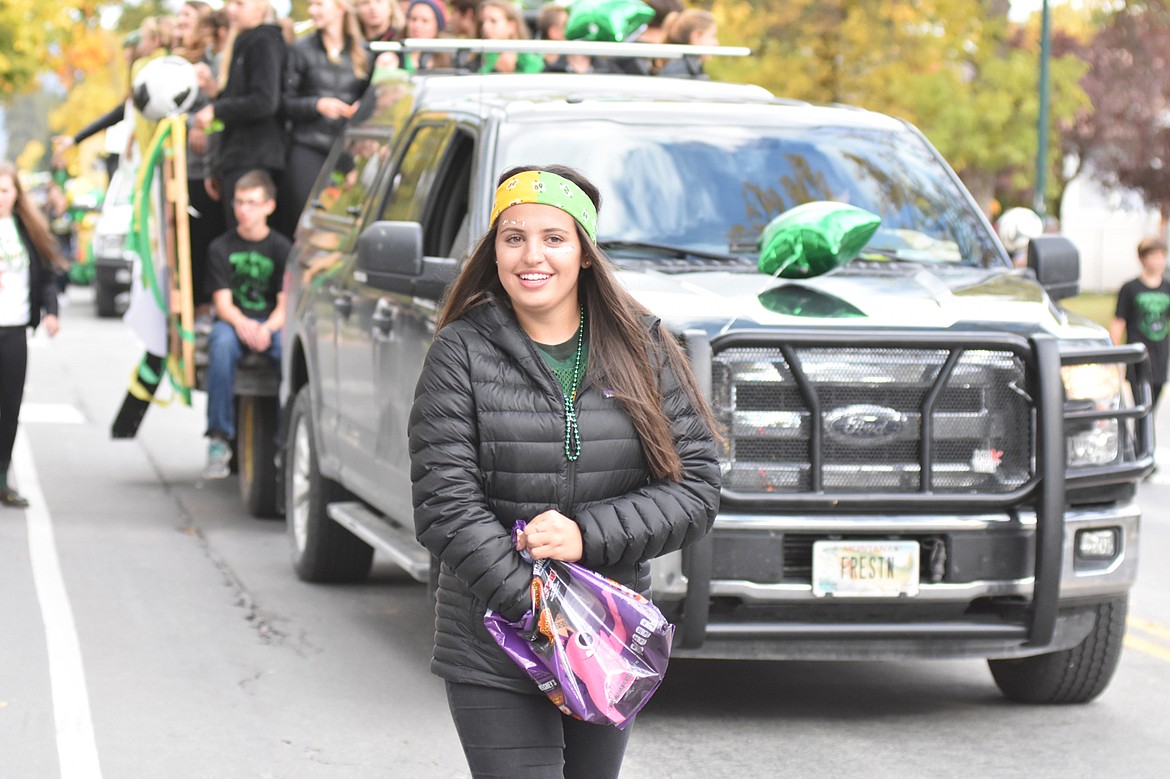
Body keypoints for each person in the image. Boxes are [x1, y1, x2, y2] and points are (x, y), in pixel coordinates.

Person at [408, 164, 721, 778]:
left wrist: (586, 535)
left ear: (584, 253)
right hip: (493, 636)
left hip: (603, 636)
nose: (533, 255)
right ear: (493, 252)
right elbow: (446, 504)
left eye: (554, 238)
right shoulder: (459, 352)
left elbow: (696, 488)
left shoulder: (645, 347)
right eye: (513, 237)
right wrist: (534, 604)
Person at [203, 170, 290, 479]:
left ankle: (286, 445)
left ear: (269, 206)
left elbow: (284, 304)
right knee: (221, 345)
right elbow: (223, 304)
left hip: (270, 322)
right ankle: (218, 439)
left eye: (252, 203)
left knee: (288, 355)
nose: (243, 210)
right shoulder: (220, 248)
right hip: (234, 321)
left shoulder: (282, 249)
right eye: (239, 202)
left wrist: (266, 329)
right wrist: (244, 325)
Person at [0, 162, 66, 507]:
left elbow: (48, 277)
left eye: (5, 190)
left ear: (16, 195)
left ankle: (1, 478)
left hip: (13, 329)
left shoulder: (28, 231)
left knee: (8, 407)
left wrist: (51, 312)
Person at [276, 0, 369, 238]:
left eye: (319, 4)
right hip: (307, 146)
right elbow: (284, 103)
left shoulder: (362, 51)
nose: (312, 11)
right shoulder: (301, 49)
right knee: (306, 224)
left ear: (340, 8)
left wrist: (363, 106)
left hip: (346, 151)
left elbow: (372, 100)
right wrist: (317, 105)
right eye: (311, 5)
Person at [194, 0, 289, 235]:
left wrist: (217, 110)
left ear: (260, 6)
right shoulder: (244, 41)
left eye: (239, 3)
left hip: (255, 158)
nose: (231, 10)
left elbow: (265, 101)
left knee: (248, 242)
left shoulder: (263, 40)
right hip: (236, 157)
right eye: (229, 3)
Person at [174, 0, 227, 317]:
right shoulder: (182, 63)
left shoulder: (214, 63)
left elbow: (220, 111)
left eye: (188, 19)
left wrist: (200, 122)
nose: (182, 25)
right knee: (193, 242)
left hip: (209, 165)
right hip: (191, 167)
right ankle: (196, 307)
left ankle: (206, 307)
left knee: (209, 238)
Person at [1111, 236, 1170, 410]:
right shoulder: (1130, 288)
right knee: (1141, 406)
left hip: (1160, 355)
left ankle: (1144, 436)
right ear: (1142, 258)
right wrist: (1114, 356)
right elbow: (1118, 321)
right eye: (1154, 256)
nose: (1159, 261)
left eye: (1161, 256)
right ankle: (1141, 436)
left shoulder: (1167, 287)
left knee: (1154, 402)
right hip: (1137, 354)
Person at [476, 0, 543, 74]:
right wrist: (496, 70)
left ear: (512, 25)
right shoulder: (475, 56)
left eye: (493, 21)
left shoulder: (532, 59)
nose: (485, 27)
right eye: (481, 22)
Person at [658, 8, 717, 79]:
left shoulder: (691, 67)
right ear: (696, 36)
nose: (716, 43)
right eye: (713, 36)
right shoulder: (679, 72)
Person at [539, 3, 591, 74]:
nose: (571, 30)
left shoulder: (575, 57)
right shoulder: (534, 64)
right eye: (566, 25)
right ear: (554, 32)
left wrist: (581, 72)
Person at [399, 0, 449, 71]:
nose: (417, 25)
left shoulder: (449, 59)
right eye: (413, 19)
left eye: (425, 21)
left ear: (437, 26)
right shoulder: (395, 55)